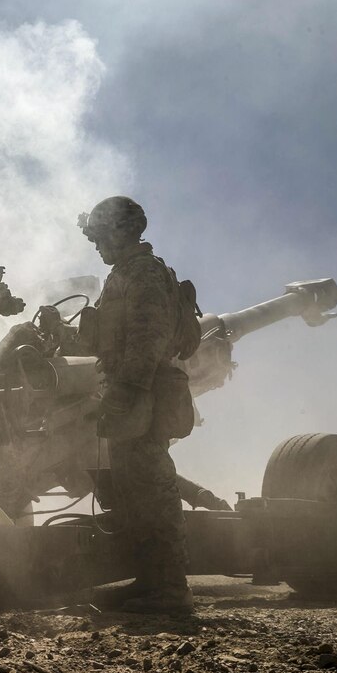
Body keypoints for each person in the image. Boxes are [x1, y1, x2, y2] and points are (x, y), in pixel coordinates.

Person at [78, 195, 196, 615]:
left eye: (99, 234)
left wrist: (126, 390)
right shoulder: (124, 274)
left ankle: (169, 590)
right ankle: (150, 582)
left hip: (142, 396)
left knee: (151, 488)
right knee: (131, 490)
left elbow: (148, 336)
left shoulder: (143, 272)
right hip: (131, 394)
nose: (95, 244)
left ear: (122, 230)